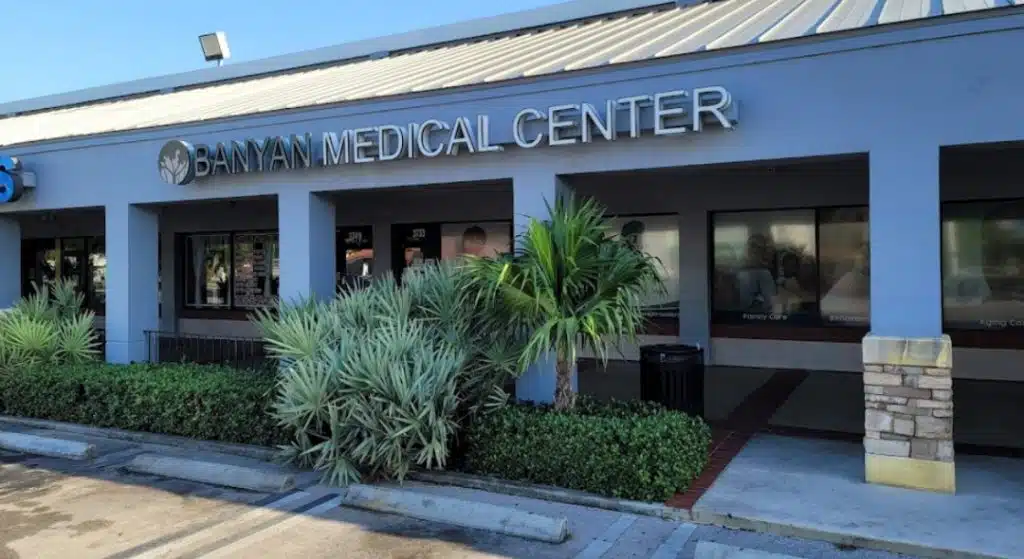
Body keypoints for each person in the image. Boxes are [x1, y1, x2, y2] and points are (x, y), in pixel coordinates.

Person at [734, 234, 777, 313]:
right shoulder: (738, 269)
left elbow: (770, 302)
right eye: (752, 246)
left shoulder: (765, 272)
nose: (754, 250)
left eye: (758, 247)